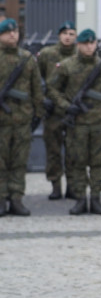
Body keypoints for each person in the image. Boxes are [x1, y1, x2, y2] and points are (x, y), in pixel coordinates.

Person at [48, 29, 101, 215]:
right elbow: (52, 90)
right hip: (77, 123)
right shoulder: (66, 66)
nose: (89, 46)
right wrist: (66, 106)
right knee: (77, 163)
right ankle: (80, 199)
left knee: (97, 164)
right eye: (85, 43)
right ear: (78, 44)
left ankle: (95, 199)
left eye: (92, 43)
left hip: (99, 123)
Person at [0, 19, 44, 217]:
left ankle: (16, 198)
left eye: (15, 31)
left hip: (22, 119)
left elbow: (37, 89)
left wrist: (38, 114)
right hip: (1, 121)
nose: (12, 35)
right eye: (7, 32)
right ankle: (1, 198)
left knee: (19, 161)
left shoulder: (27, 58)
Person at [36, 21, 76, 200]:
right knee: (53, 150)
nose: (68, 37)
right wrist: (43, 100)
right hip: (53, 112)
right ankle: (55, 185)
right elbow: (37, 80)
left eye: (71, 33)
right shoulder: (47, 54)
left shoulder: (80, 54)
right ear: (59, 35)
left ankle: (73, 185)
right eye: (65, 33)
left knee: (74, 151)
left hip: (74, 110)